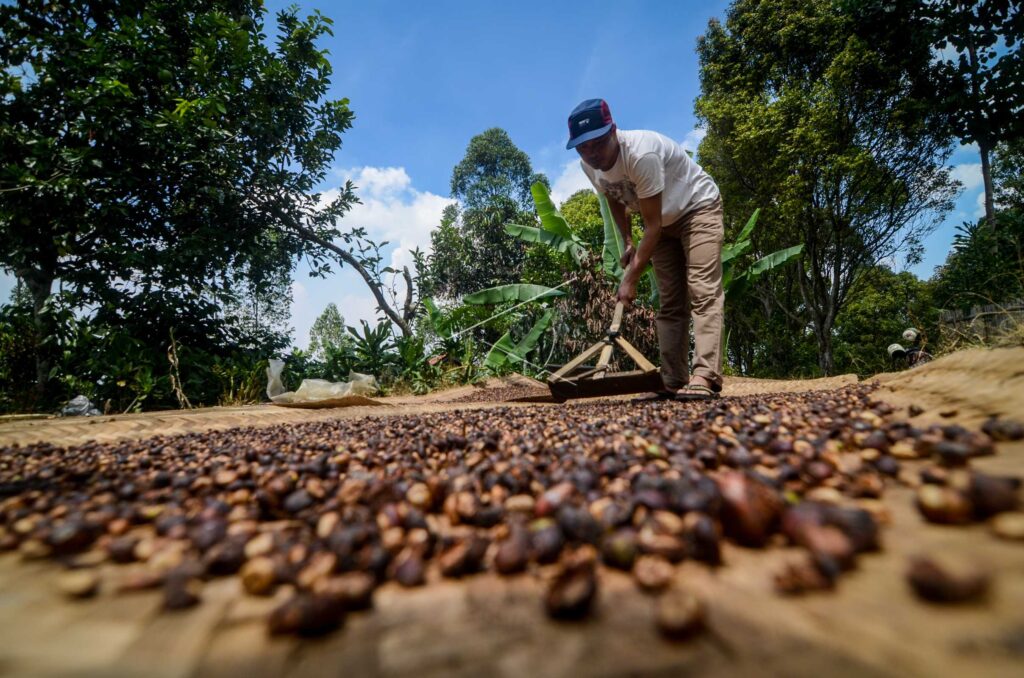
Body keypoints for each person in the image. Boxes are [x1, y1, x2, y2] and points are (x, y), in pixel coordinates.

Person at [566, 98, 724, 401]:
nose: (592, 153)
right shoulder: (589, 165)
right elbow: (612, 194)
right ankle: (673, 380)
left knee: (702, 289)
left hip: (697, 208)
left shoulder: (641, 154)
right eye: (583, 147)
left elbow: (652, 227)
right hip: (661, 222)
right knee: (670, 301)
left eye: (598, 143)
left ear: (613, 131)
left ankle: (706, 374)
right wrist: (627, 240)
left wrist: (630, 279)